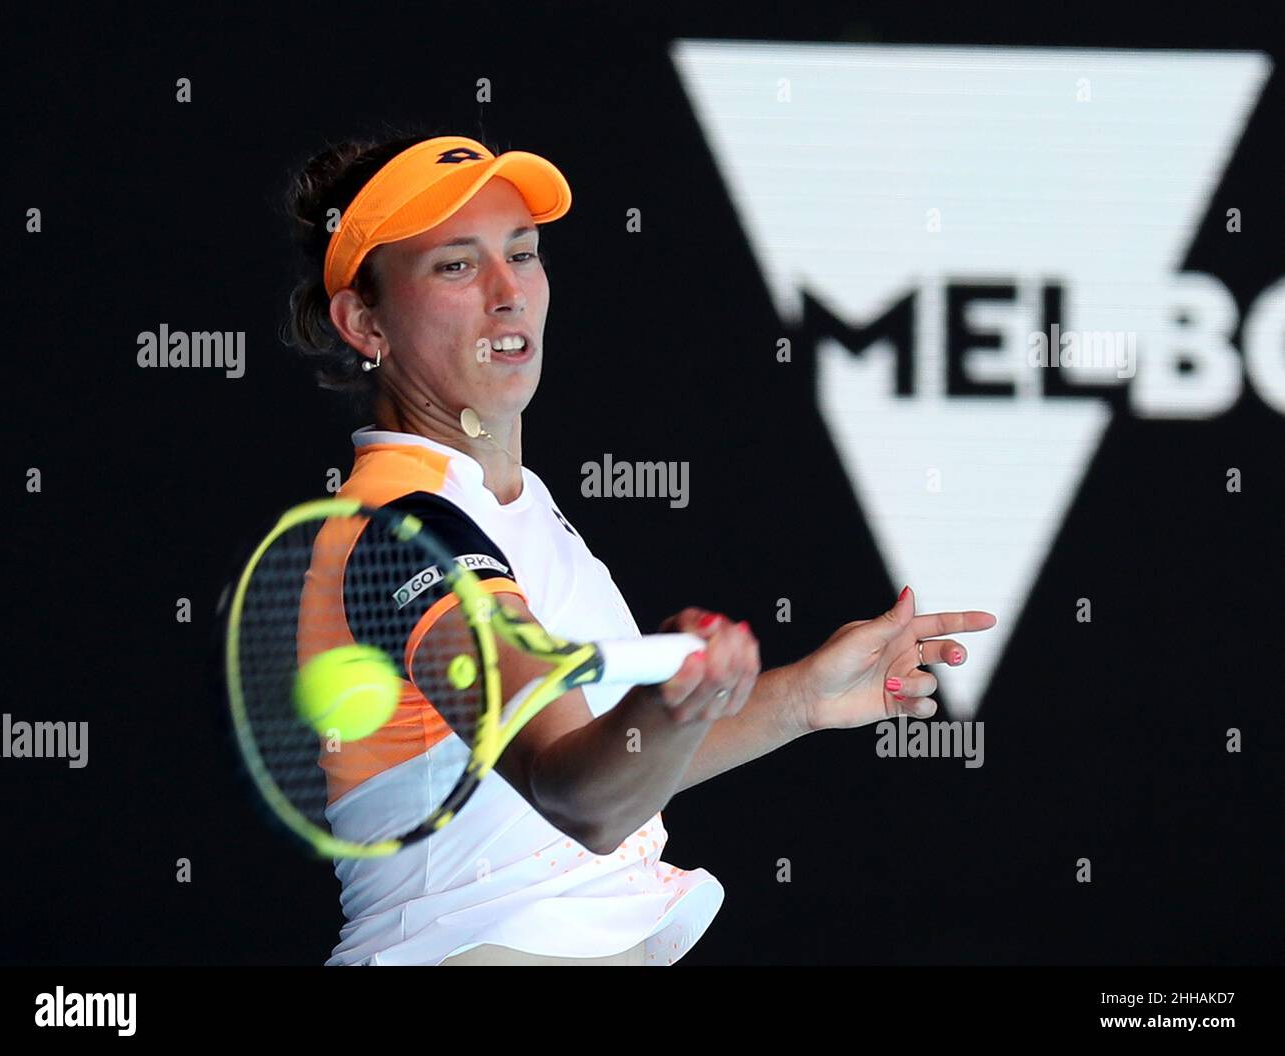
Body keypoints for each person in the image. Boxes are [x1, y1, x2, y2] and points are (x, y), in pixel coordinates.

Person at [281, 128, 997, 966]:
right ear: (364, 322)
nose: (509, 292)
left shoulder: (510, 506)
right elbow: (577, 798)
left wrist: (799, 697)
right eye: (457, 265)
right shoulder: (402, 527)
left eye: (524, 252)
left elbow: (607, 765)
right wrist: (670, 702)